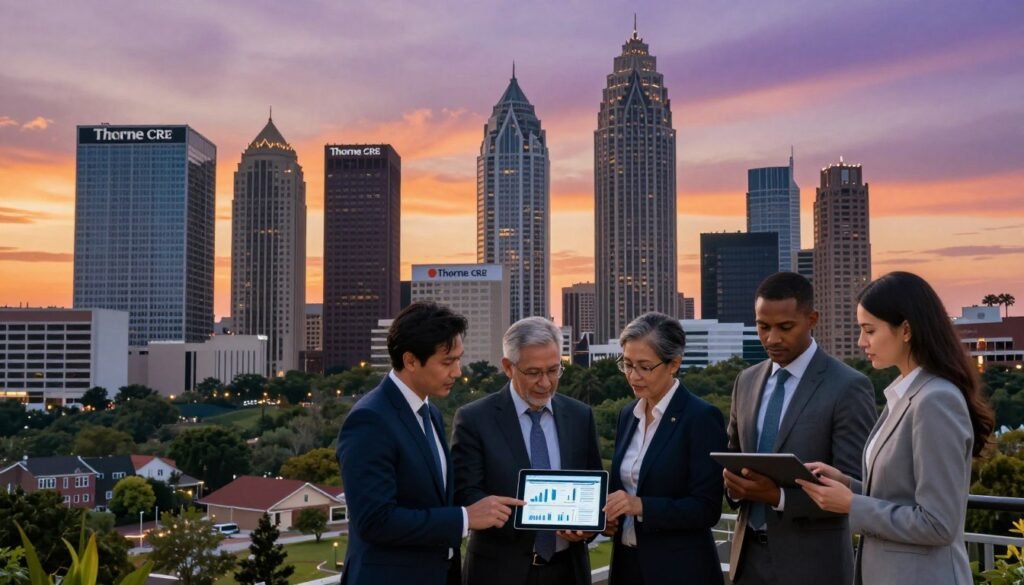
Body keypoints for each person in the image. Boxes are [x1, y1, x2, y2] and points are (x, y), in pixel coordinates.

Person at [797, 271, 995, 585]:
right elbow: (901, 498)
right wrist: (848, 485)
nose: (862, 342)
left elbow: (938, 523)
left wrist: (851, 505)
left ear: (905, 330)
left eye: (869, 330)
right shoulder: (904, 394)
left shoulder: (935, 400)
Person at [336, 302, 524, 585]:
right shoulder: (370, 420)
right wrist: (464, 518)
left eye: (459, 359)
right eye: (447, 362)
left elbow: (433, 496)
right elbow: (375, 521)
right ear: (410, 360)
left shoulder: (429, 412)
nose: (457, 372)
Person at [724, 272, 876, 585]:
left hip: (813, 568)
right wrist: (734, 487)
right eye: (763, 327)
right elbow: (733, 455)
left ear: (812, 319)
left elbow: (856, 487)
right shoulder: (746, 381)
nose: (771, 339)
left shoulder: (848, 386)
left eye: (785, 327)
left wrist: (777, 496)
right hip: (746, 562)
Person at [452, 316, 604, 585]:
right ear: (508, 367)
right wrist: (524, 512)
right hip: (500, 573)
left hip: (568, 571)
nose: (546, 383)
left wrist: (585, 529)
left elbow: (593, 487)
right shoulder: (475, 419)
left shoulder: (580, 416)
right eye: (534, 372)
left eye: (554, 370)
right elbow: (466, 493)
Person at [603, 312, 728, 585]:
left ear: (674, 364)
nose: (633, 376)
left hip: (680, 571)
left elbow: (707, 508)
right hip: (627, 566)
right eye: (627, 364)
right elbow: (620, 489)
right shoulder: (627, 414)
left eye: (644, 367)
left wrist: (641, 506)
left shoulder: (701, 418)